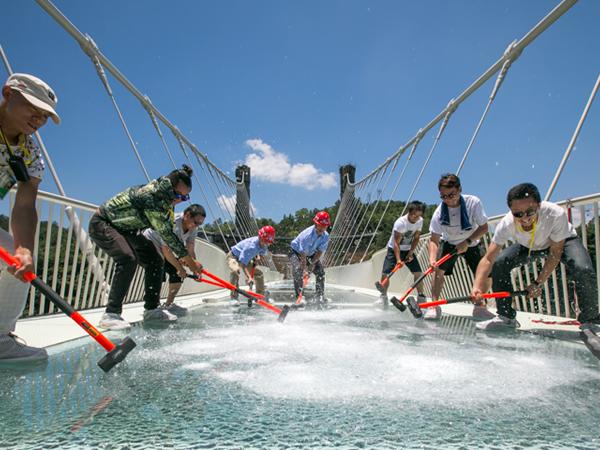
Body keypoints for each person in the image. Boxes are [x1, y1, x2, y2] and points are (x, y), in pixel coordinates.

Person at [472, 183, 600, 335]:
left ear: (539, 206)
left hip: (562, 242)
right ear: (511, 211)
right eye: (518, 214)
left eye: (530, 212)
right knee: (500, 262)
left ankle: (589, 320)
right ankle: (506, 317)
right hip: (530, 246)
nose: (524, 218)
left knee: (583, 269)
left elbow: (555, 254)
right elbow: (488, 258)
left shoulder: (555, 214)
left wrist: (537, 283)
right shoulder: (506, 223)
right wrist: (477, 287)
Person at [88, 164, 203, 330]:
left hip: (127, 229)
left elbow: (170, 233)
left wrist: (190, 262)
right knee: (128, 258)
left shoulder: (166, 201)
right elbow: (168, 236)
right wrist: (192, 265)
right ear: (168, 188)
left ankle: (151, 308)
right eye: (178, 195)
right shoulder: (152, 197)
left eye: (184, 198)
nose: (179, 200)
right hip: (103, 223)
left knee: (156, 260)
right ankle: (110, 314)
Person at [0, 73, 60, 363]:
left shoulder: (30, 152)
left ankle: (0, 339)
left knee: (17, 258)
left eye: (44, 116)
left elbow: (25, 205)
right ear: (8, 93)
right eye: (32, 109)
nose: (38, 120)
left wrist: (25, 248)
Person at [427, 173, 493, 320]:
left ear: (460, 189)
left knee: (486, 273)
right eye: (443, 197)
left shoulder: (473, 202)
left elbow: (484, 227)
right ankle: (434, 305)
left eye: (451, 195)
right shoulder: (439, 212)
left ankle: (479, 306)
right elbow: (434, 239)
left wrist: (467, 242)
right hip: (450, 243)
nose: (448, 200)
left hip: (472, 242)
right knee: (438, 272)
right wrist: (432, 259)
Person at [142, 203, 206, 316]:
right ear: (187, 215)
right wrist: (180, 267)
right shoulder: (173, 222)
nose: (197, 226)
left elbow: (190, 249)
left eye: (200, 224)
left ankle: (169, 304)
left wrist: (195, 269)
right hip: (149, 243)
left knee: (176, 274)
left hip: (165, 248)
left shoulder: (193, 228)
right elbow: (166, 249)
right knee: (158, 270)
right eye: (196, 222)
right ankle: (151, 308)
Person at [375, 201, 427, 307]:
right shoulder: (400, 223)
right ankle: (383, 296)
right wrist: (398, 260)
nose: (416, 218)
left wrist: (411, 253)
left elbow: (416, 238)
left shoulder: (420, 221)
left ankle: (421, 297)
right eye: (414, 215)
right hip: (393, 250)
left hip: (408, 250)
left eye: (419, 216)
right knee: (386, 273)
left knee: (418, 273)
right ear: (409, 212)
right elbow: (396, 244)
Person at [227, 225, 276, 306]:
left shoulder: (264, 245)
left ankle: (260, 295)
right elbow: (243, 263)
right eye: (265, 241)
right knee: (235, 271)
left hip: (246, 258)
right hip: (233, 256)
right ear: (260, 237)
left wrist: (258, 257)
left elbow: (261, 254)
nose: (266, 244)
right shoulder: (251, 246)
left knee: (259, 274)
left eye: (268, 242)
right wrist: (249, 277)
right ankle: (234, 297)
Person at [290, 211, 330, 307]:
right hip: (296, 252)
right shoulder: (307, 235)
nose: (323, 228)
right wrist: (305, 270)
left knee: (320, 272)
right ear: (316, 224)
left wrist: (312, 264)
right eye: (320, 225)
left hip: (311, 253)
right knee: (298, 271)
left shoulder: (326, 236)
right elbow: (303, 255)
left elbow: (320, 251)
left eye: (325, 226)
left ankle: (319, 295)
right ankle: (299, 296)